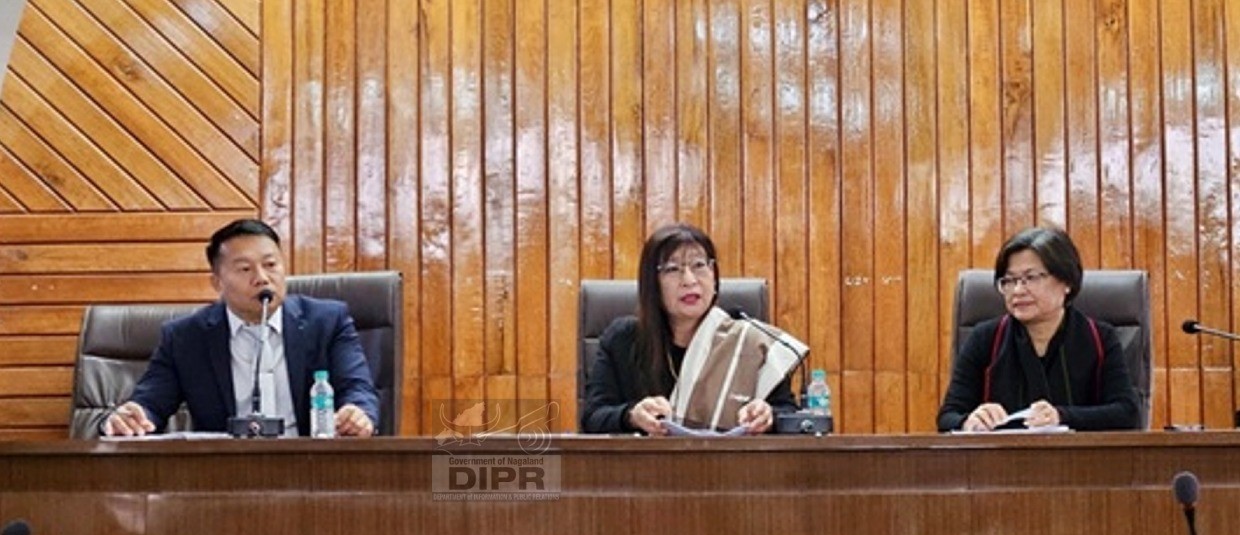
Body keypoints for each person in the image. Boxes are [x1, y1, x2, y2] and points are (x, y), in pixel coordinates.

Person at [103, 219, 380, 437]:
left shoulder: (328, 321)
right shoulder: (186, 337)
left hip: (314, 468)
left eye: (270, 265)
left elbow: (357, 389)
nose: (262, 278)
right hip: (225, 475)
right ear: (217, 283)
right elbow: (151, 403)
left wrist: (357, 413)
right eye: (245, 269)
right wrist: (132, 416)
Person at [581, 223, 798, 435]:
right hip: (647, 460)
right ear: (652, 284)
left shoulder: (749, 341)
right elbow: (592, 417)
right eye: (672, 269)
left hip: (731, 459)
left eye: (699, 265)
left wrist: (769, 416)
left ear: (713, 275)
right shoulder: (624, 339)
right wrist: (631, 416)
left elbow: (789, 413)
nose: (689, 280)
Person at [937, 226, 1140, 432]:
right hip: (1001, 452)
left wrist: (1061, 416)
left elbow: (1127, 413)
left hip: (1076, 452)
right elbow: (948, 416)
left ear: (1067, 282)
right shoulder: (985, 338)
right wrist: (969, 421)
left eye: (1031, 278)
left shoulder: (1099, 338)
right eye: (1009, 281)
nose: (1018, 290)